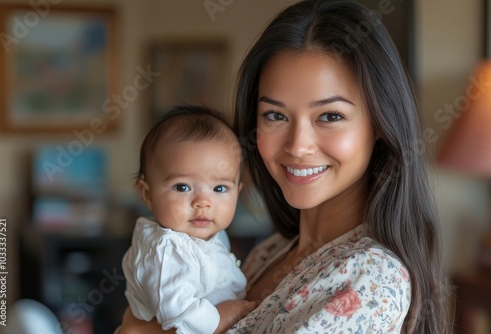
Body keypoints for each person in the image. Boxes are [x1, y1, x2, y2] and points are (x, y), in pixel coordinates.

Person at [119, 0, 452, 333]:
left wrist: (139, 329)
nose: (297, 146)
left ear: (380, 124)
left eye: (330, 116)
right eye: (275, 116)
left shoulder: (369, 277)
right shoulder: (272, 250)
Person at [121, 105, 257, 334]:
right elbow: (176, 308)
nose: (203, 202)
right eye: (182, 187)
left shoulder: (211, 236)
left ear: (238, 191)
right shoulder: (166, 250)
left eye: (220, 188)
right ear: (147, 194)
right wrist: (219, 319)